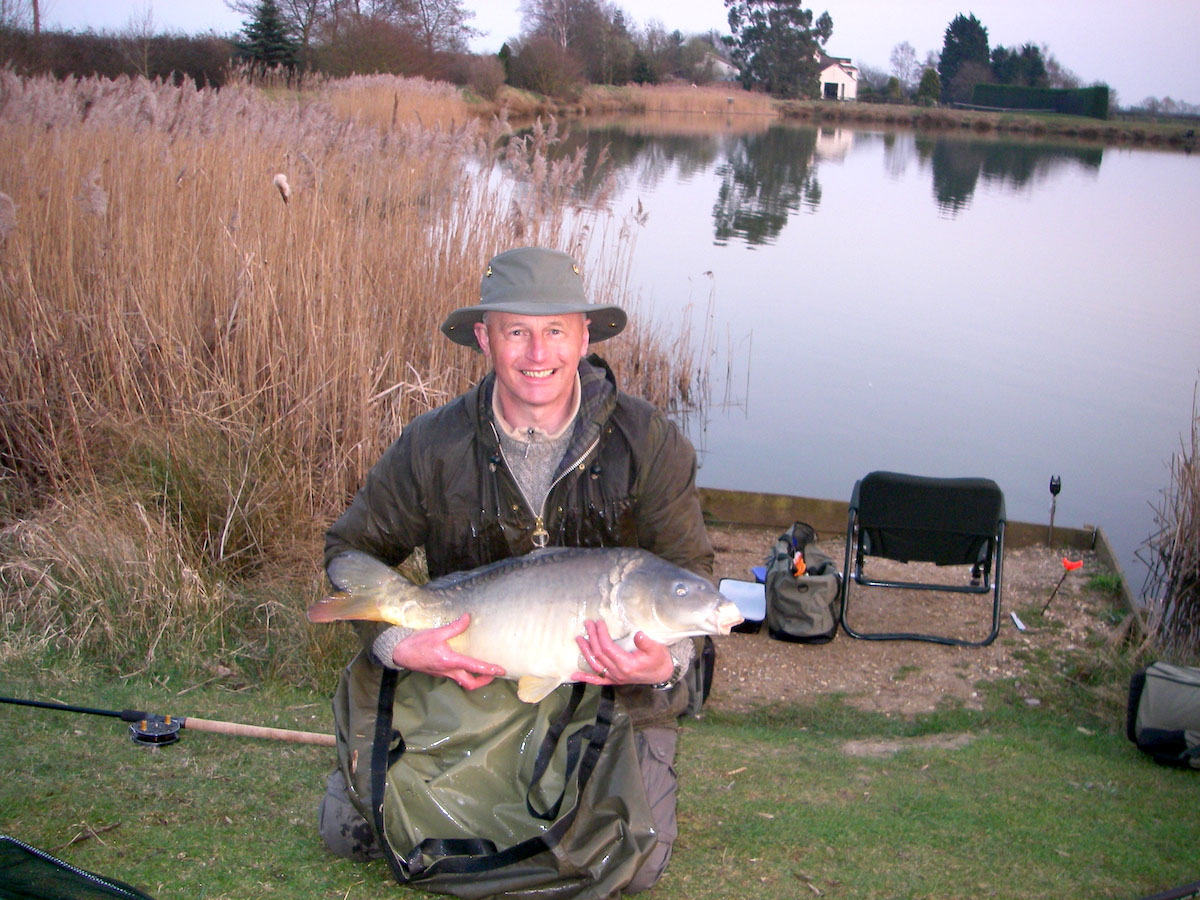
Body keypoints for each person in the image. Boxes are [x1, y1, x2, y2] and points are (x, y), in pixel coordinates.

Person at [317, 246, 715, 894]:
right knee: (350, 833)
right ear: (484, 338)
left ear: (585, 336)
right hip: (475, 676)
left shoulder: (650, 444)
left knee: (633, 864)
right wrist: (399, 644)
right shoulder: (432, 444)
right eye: (517, 332)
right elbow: (349, 551)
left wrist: (666, 665)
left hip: (610, 693)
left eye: (556, 330)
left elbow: (691, 576)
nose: (538, 354)